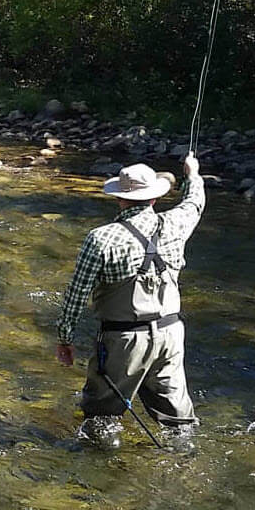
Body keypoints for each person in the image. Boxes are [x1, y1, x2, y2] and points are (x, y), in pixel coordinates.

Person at [54, 154, 205, 449]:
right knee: (178, 420)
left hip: (124, 341)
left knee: (100, 416)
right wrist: (192, 175)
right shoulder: (176, 223)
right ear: (154, 198)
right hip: (171, 335)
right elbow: (194, 203)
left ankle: (101, 472)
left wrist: (64, 338)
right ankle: (184, 460)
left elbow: (76, 295)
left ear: (121, 200)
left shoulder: (101, 239)